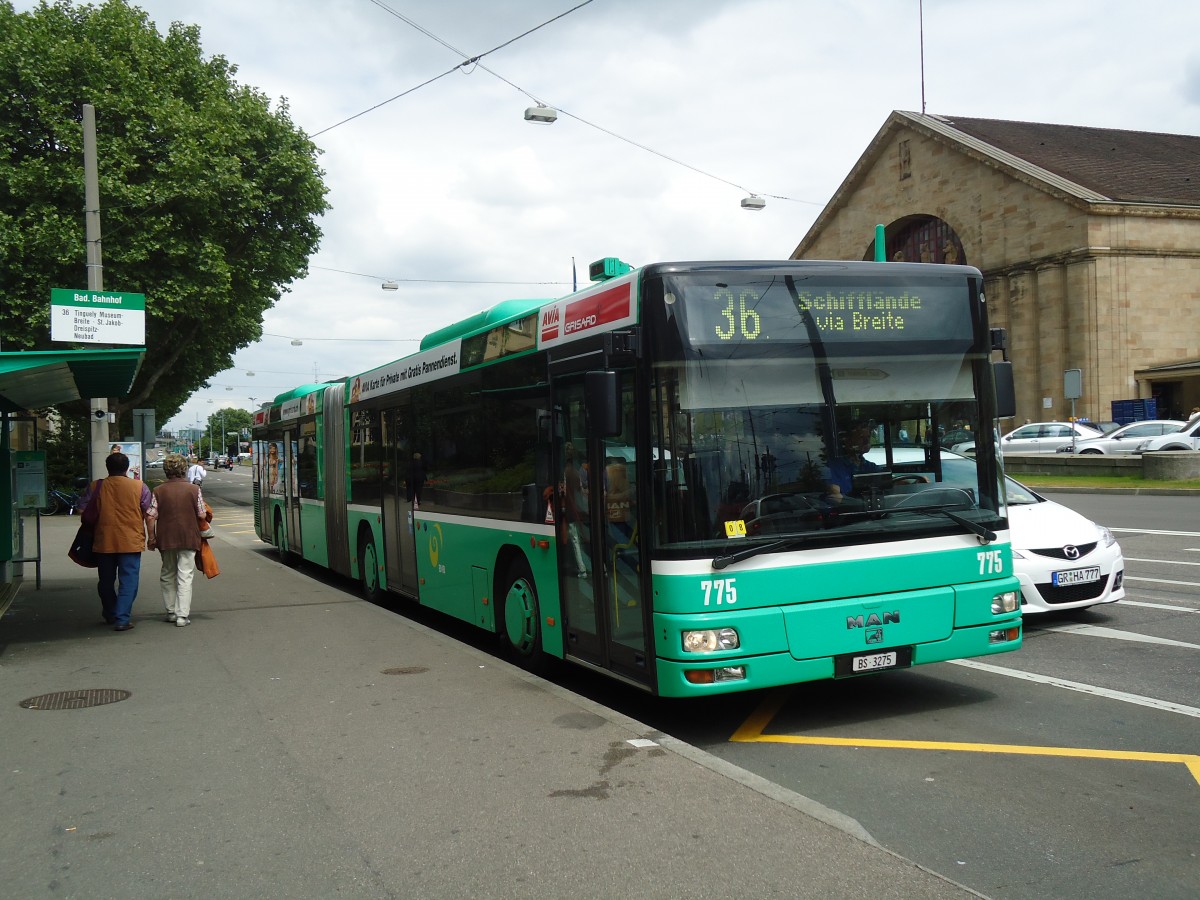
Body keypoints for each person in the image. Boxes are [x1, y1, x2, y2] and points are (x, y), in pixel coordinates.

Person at [77, 452, 157, 631]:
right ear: (127, 467)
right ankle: (122, 618)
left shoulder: (96, 486)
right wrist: (152, 537)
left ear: (108, 467)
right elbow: (149, 515)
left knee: (105, 580)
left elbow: (82, 510)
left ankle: (110, 613)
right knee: (129, 580)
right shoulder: (139, 486)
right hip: (130, 540)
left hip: (103, 540)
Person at [147, 454, 213, 627]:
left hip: (166, 537)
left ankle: (170, 611)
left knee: (168, 573)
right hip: (188, 536)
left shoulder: (158, 491)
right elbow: (201, 514)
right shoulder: (194, 489)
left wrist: (152, 538)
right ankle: (182, 616)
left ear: (166, 470)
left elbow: (150, 517)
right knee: (185, 575)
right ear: (184, 470)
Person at [824, 419, 882, 503]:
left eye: (868, 437)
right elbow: (834, 493)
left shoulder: (870, 466)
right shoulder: (834, 467)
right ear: (847, 441)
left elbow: (888, 481)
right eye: (861, 437)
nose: (866, 441)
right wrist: (835, 494)